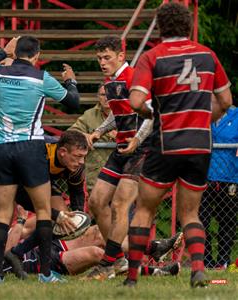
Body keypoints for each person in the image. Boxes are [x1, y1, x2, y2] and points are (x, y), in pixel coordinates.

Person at [123, 3, 232, 288]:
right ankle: (197, 269)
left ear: (160, 27)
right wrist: (208, 118)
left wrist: (152, 112)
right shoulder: (208, 55)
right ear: (187, 26)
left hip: (167, 143)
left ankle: (132, 278)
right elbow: (226, 101)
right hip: (200, 144)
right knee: (191, 213)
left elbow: (135, 101)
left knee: (145, 209)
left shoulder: (153, 57)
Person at [0, 35, 80, 283]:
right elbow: (73, 102)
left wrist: (3, 53)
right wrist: (71, 81)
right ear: (36, 56)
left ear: (16, 52)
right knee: (43, 210)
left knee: (1, 214)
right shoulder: (41, 78)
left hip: (2, 147)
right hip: (31, 147)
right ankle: (45, 274)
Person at [83, 35, 153, 280]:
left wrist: (138, 139)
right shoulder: (111, 82)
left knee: (120, 204)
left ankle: (106, 264)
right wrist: (98, 131)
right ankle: (119, 259)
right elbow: (117, 113)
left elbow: (153, 114)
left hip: (142, 149)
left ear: (121, 56)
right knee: (96, 201)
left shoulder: (134, 77)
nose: (102, 62)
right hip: (121, 147)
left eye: (107, 57)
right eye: (99, 58)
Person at [0, 212, 182, 278]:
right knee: (98, 254)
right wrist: (20, 222)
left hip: (52, 244)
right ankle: (154, 272)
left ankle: (155, 248)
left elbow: (32, 227)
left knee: (98, 232)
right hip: (45, 262)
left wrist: (55, 217)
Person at [199, 102, 237, 269]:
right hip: (203, 177)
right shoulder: (202, 114)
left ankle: (223, 261)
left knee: (227, 221)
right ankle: (206, 261)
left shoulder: (236, 116)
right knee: (202, 220)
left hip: (230, 178)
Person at [70, 83, 116, 194]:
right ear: (98, 96)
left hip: (121, 176)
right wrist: (83, 135)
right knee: (96, 207)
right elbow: (70, 132)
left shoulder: (127, 113)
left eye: (110, 94)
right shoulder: (89, 115)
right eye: (103, 94)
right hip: (96, 177)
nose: (106, 98)